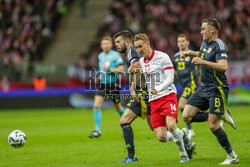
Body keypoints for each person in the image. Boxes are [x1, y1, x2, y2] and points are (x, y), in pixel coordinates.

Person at [181, 18, 239, 164]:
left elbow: (223, 66)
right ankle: (221, 113)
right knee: (186, 116)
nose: (201, 32)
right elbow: (202, 53)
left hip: (217, 88)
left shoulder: (220, 45)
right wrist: (190, 53)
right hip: (204, 87)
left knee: (213, 125)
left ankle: (232, 156)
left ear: (212, 30)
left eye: (203, 29)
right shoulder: (205, 43)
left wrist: (202, 62)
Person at [133, 33, 195, 162]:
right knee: (161, 137)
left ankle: (184, 154)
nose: (139, 50)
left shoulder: (162, 57)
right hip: (153, 101)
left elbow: (170, 78)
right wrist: (132, 88)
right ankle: (182, 134)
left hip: (167, 96)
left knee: (171, 126)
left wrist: (159, 89)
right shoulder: (141, 62)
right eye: (137, 48)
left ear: (147, 44)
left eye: (140, 46)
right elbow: (138, 76)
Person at [113, 30, 151, 163]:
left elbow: (137, 69)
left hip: (144, 94)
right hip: (145, 93)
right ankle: (183, 137)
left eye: (118, 42)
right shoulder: (130, 54)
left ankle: (131, 157)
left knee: (124, 121)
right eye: (115, 42)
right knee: (159, 131)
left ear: (127, 42)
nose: (116, 45)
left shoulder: (132, 54)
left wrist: (132, 88)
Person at [88, 36, 125, 138]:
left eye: (107, 43)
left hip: (113, 85)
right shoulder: (100, 56)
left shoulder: (116, 55)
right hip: (102, 84)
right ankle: (97, 131)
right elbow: (102, 69)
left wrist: (109, 69)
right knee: (96, 105)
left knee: (117, 107)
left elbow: (121, 69)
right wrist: (99, 77)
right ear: (101, 46)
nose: (105, 45)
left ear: (111, 45)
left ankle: (126, 124)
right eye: (103, 44)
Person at [173, 34, 199, 139]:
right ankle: (219, 117)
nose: (181, 43)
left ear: (188, 42)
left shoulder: (192, 54)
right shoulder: (175, 57)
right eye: (179, 41)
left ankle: (190, 130)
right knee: (197, 110)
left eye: (183, 41)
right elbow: (175, 71)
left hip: (192, 84)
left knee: (181, 105)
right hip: (183, 85)